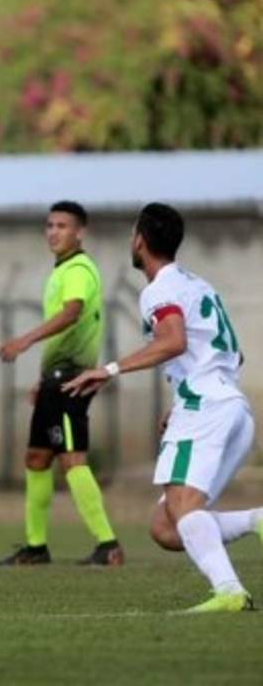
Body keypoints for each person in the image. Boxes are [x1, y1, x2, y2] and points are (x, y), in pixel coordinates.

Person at [64, 203, 260, 612]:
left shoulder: (160, 290)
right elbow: (232, 356)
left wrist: (110, 369)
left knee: (183, 510)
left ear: (140, 240)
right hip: (228, 407)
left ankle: (228, 592)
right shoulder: (198, 284)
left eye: (132, 234)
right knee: (166, 527)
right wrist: (185, 396)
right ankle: (256, 521)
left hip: (206, 408)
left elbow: (173, 341)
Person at [0, 201, 123, 566]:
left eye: (62, 226)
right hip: (55, 380)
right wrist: (41, 378)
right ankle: (36, 547)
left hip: (70, 380)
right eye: (50, 225)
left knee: (72, 459)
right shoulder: (62, 270)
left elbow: (72, 313)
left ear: (79, 232)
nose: (53, 232)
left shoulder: (79, 269)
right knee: (36, 458)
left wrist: (25, 340)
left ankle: (108, 543)